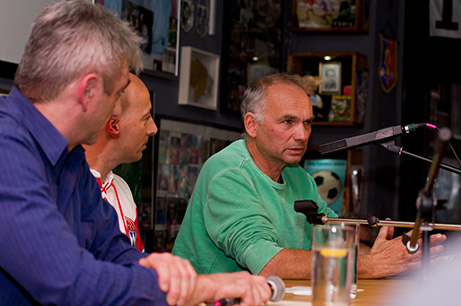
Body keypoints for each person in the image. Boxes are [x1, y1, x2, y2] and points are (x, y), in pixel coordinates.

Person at [0, 1, 271, 305]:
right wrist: (203, 288)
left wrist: (164, 272)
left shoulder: (70, 156)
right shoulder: (6, 148)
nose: (116, 110)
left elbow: (111, 249)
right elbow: (69, 281)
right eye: (117, 94)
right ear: (87, 91)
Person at [172, 73, 447, 279]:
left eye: (307, 122)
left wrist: (389, 253)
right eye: (288, 122)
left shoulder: (297, 176)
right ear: (251, 125)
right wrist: (372, 265)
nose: (302, 135)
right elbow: (268, 263)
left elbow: (329, 237)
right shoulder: (228, 173)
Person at [84, 73, 157, 252]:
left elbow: (135, 262)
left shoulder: (121, 188)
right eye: (146, 117)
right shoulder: (65, 187)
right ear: (114, 125)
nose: (153, 129)